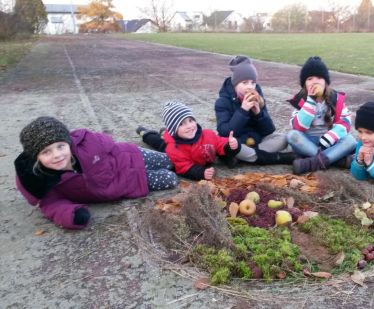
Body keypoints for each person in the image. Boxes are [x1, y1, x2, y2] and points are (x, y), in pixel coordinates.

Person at [14, 117, 178, 230]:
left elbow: (108, 143)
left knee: (171, 161)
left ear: (68, 143)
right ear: (36, 157)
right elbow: (52, 205)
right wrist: (72, 216)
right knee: (171, 179)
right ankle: (152, 135)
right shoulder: (42, 181)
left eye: (60, 146)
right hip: (130, 181)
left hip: (129, 156)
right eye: (46, 152)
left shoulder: (86, 144)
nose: (57, 155)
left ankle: (153, 135)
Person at [214, 55, 294, 165]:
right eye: (244, 82)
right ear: (235, 84)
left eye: (253, 82)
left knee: (283, 138)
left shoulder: (257, 96)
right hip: (237, 143)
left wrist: (259, 113)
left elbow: (269, 131)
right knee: (227, 145)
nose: (250, 87)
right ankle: (276, 158)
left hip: (256, 142)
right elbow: (225, 132)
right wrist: (243, 111)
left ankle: (244, 157)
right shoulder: (222, 101)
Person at [287, 56, 357, 174]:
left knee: (350, 140)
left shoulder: (336, 99)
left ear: (325, 82)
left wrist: (331, 136)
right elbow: (298, 127)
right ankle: (336, 159)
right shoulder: (300, 100)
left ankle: (311, 163)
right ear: (304, 83)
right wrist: (310, 101)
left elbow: (346, 121)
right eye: (310, 78)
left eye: (319, 78)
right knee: (291, 136)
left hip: (329, 143)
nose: (315, 81)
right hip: (308, 143)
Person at [146, 100, 242, 181]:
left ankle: (164, 131)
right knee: (157, 142)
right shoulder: (173, 149)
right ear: (173, 130)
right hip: (171, 145)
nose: (189, 126)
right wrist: (201, 173)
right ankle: (146, 134)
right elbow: (183, 168)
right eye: (181, 124)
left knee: (227, 150)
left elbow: (220, 143)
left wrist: (232, 145)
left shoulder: (207, 135)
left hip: (196, 151)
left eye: (191, 121)